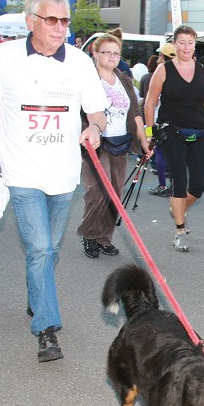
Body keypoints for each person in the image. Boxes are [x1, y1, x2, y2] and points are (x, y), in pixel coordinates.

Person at [0, 0, 108, 362]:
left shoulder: (80, 63)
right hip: (21, 172)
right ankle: (46, 329)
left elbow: (97, 113)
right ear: (30, 20)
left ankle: (37, 299)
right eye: (52, 20)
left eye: (65, 21)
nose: (60, 28)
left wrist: (94, 129)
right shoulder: (4, 57)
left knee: (47, 250)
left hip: (64, 175)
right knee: (40, 248)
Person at [143, 25, 204, 253]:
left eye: (190, 42)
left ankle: (178, 209)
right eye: (181, 42)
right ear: (174, 44)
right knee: (179, 181)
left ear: (194, 44)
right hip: (172, 131)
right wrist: (150, 134)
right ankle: (179, 230)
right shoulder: (164, 70)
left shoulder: (203, 71)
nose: (186, 47)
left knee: (199, 185)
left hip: (198, 132)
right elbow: (150, 102)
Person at [77, 33, 151, 259]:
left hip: (121, 141)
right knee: (99, 190)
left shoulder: (125, 79)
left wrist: (143, 138)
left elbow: (135, 112)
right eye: (106, 52)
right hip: (96, 143)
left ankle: (104, 238)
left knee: (116, 193)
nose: (111, 56)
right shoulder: (87, 79)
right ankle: (89, 234)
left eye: (116, 53)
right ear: (96, 54)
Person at [140, 54, 172, 197]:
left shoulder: (156, 75)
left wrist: (148, 134)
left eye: (161, 56)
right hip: (172, 121)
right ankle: (174, 185)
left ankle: (163, 185)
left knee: (159, 152)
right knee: (173, 154)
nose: (158, 58)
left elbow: (148, 104)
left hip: (160, 121)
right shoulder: (178, 74)